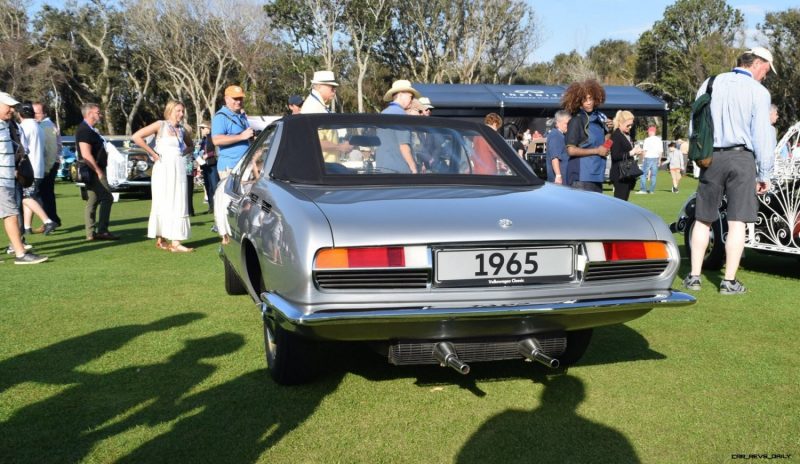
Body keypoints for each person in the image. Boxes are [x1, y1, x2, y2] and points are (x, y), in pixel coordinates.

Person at [683, 47, 776, 295]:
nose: (765, 75)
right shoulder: (759, 92)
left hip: (711, 157)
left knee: (703, 219)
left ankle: (693, 276)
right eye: (766, 70)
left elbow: (695, 122)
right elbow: (762, 135)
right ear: (757, 63)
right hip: (742, 158)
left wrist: (698, 155)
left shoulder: (710, 83)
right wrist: (764, 173)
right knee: (737, 222)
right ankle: (729, 281)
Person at [131, 100, 194, 253]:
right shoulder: (160, 125)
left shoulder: (182, 130)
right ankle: (162, 239)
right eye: (178, 110)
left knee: (178, 201)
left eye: (182, 111)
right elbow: (136, 136)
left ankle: (175, 242)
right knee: (162, 200)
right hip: (162, 168)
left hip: (178, 168)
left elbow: (190, 146)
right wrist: (152, 153)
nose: (181, 114)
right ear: (170, 110)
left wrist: (180, 154)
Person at [0, 92, 47, 264]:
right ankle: (20, 253)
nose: (12, 110)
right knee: (12, 214)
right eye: (8, 106)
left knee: (11, 213)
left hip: (7, 177)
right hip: (1, 180)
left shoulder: (5, 125)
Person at [75, 103, 118, 241]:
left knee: (92, 201)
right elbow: (86, 155)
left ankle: (90, 234)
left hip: (94, 170)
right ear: (89, 114)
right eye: (98, 112)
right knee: (107, 198)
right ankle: (102, 231)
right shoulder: (84, 130)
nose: (100, 115)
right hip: (92, 171)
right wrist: (99, 171)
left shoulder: (91, 130)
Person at [17, 103, 58, 236]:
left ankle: (47, 221)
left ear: (20, 114)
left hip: (29, 169)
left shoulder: (23, 127)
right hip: (38, 168)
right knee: (30, 196)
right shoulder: (38, 126)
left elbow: (22, 149)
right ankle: (27, 226)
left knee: (25, 197)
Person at [563, 79, 610, 192]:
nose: (588, 102)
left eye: (591, 98)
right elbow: (571, 150)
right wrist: (596, 151)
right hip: (581, 177)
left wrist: (610, 131)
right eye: (584, 100)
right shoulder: (576, 121)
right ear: (578, 102)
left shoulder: (600, 119)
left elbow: (605, 147)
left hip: (598, 175)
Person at [375, 79, 420, 173]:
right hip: (399, 173)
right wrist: (413, 168)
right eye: (411, 97)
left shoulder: (383, 113)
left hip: (382, 170)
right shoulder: (401, 116)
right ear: (400, 94)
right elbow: (404, 146)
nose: (412, 101)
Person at [212, 85, 253, 180]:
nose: (238, 101)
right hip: (230, 168)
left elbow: (246, 137)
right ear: (226, 99)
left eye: (240, 98)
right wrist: (241, 137)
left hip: (246, 166)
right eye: (235, 98)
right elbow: (216, 140)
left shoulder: (242, 116)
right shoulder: (220, 117)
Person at [33, 102, 62, 227]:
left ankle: (50, 220)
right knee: (45, 194)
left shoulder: (46, 126)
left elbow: (51, 150)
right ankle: (51, 219)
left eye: (37, 113)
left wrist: (47, 168)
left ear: (44, 113)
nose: (34, 115)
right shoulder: (43, 125)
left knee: (42, 194)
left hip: (48, 165)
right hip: (48, 164)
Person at [609, 110, 643, 200]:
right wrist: (631, 152)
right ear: (620, 123)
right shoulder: (615, 136)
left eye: (631, 125)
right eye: (628, 125)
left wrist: (635, 152)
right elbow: (615, 156)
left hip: (627, 173)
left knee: (624, 202)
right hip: (620, 174)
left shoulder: (626, 135)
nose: (630, 127)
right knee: (620, 202)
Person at [194, 121, 218, 214]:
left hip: (213, 165)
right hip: (205, 166)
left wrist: (208, 154)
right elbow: (201, 151)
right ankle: (211, 207)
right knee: (208, 187)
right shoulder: (203, 140)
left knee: (214, 186)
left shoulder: (213, 137)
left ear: (209, 128)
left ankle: (217, 207)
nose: (201, 130)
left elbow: (217, 150)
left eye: (203, 128)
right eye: (201, 128)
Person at [545, 110, 571, 184]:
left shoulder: (560, 135)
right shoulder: (556, 135)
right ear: (558, 123)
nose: (569, 126)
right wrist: (558, 176)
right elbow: (555, 157)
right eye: (566, 123)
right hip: (560, 180)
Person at [636, 126, 663, 194]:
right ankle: (651, 190)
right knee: (653, 175)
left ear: (651, 132)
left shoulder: (647, 140)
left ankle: (643, 190)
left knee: (643, 174)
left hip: (648, 157)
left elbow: (645, 151)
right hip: (656, 158)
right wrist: (659, 160)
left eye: (648, 132)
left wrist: (643, 159)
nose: (648, 133)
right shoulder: (659, 140)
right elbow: (660, 151)